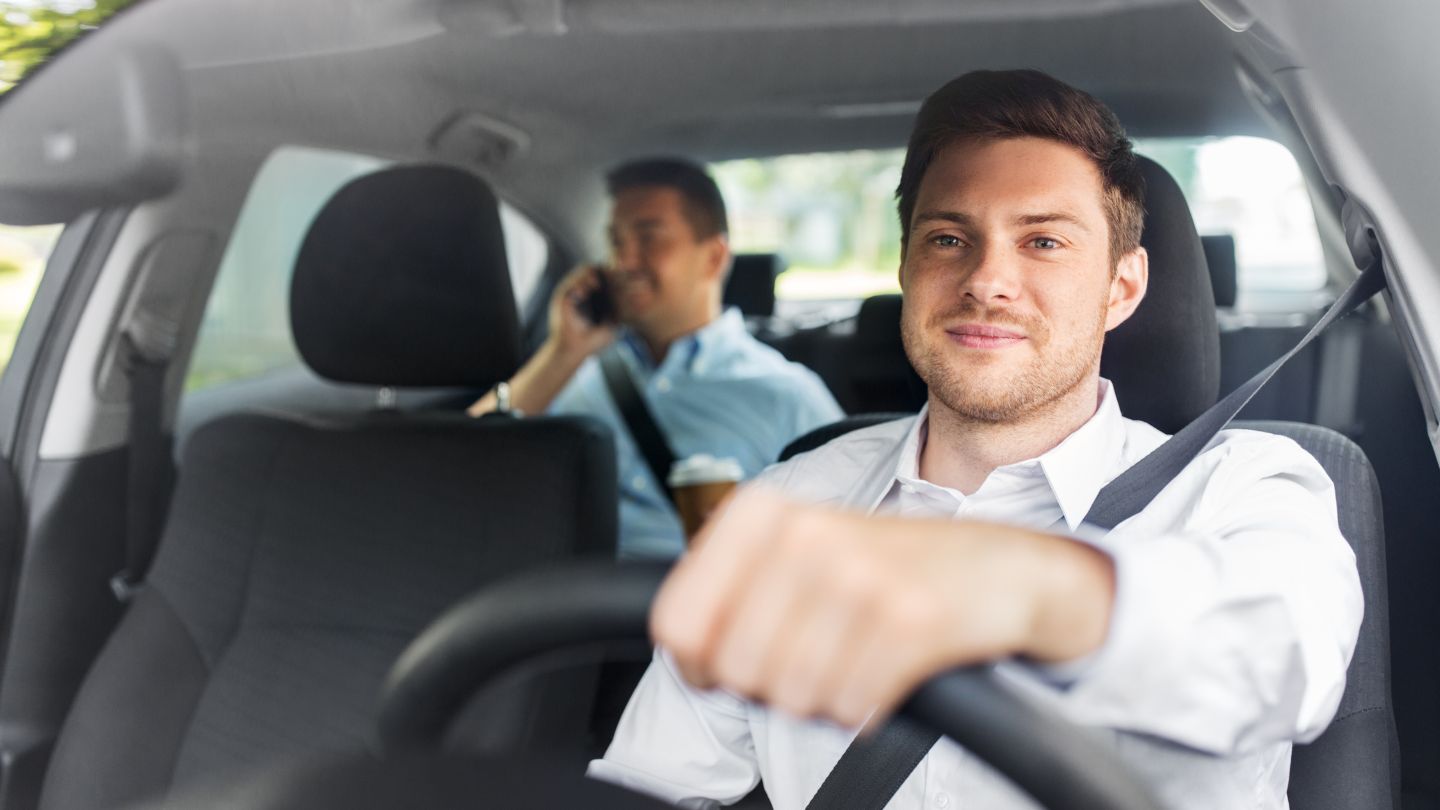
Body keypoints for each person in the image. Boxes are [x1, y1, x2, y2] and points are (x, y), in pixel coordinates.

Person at [588, 70, 1362, 809]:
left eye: (1044, 242)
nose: (988, 279)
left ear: (1122, 287)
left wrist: (1018, 590)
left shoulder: (1247, 487)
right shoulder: (791, 501)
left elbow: (1284, 656)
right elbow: (648, 786)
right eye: (950, 239)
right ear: (905, 266)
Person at [469, 159, 842, 560]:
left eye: (648, 238)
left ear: (714, 257)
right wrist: (562, 352)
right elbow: (456, 464)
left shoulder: (788, 395)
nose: (623, 262)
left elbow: (847, 544)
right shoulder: (573, 371)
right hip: (555, 603)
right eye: (615, 242)